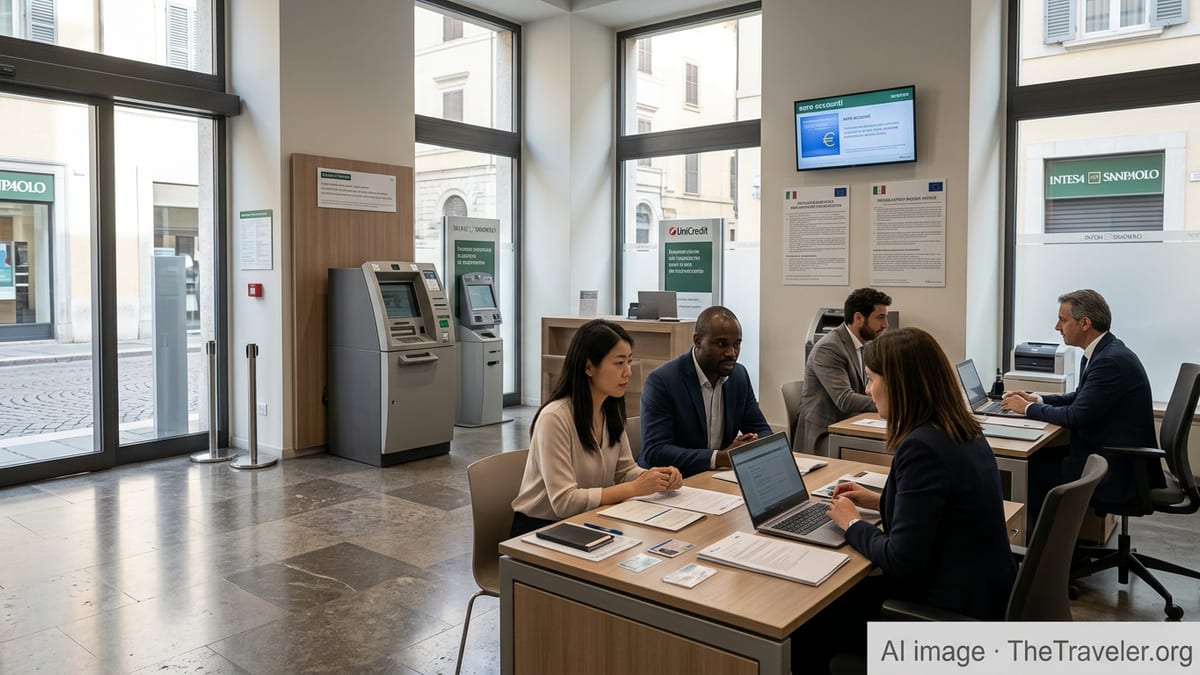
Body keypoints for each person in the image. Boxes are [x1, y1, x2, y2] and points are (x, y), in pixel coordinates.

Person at [1001, 289, 1160, 526]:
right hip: (1106, 453)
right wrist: (1037, 400)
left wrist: (1025, 409)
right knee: (1037, 458)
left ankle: (1044, 553)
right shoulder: (1103, 350)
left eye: (1063, 320)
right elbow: (1080, 397)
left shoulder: (1109, 361)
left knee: (1027, 473)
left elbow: (1076, 415)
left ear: (1085, 323)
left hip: (1115, 468)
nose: (1057, 327)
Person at [510, 319, 682, 537]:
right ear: (589, 367)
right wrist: (635, 488)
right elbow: (564, 502)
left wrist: (657, 477)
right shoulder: (554, 418)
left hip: (586, 520)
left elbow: (625, 471)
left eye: (629, 362)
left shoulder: (609, 408)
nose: (628, 372)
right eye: (619, 363)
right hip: (540, 529)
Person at [638, 306, 772, 477]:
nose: (732, 353)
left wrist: (751, 444)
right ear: (698, 341)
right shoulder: (663, 381)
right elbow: (655, 451)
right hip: (669, 482)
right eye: (721, 344)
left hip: (713, 478)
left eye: (737, 344)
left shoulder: (739, 377)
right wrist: (719, 458)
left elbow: (763, 431)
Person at [799, 287, 891, 456]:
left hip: (851, 424)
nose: (885, 324)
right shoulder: (829, 347)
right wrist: (892, 405)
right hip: (826, 434)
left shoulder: (866, 344)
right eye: (880, 317)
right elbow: (845, 400)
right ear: (858, 318)